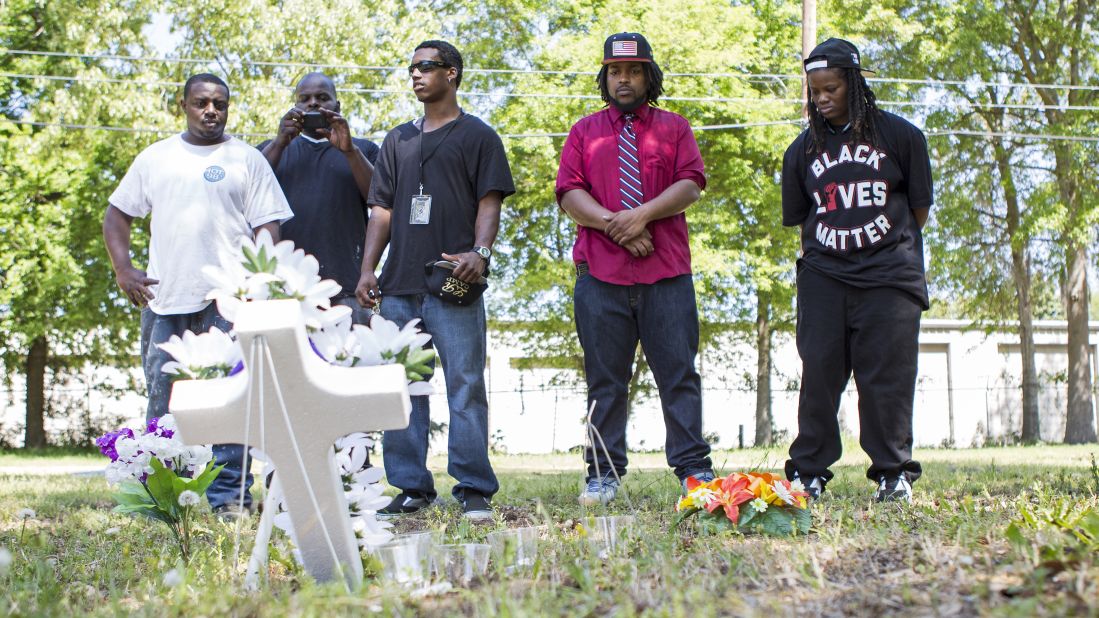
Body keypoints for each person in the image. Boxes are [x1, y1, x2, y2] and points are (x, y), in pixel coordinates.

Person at [102, 73, 294, 518]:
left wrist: (259, 282)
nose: (211, 110)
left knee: (230, 400)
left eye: (220, 104)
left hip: (228, 302)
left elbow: (269, 223)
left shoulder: (246, 159)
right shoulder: (157, 158)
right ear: (183, 105)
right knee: (164, 404)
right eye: (202, 102)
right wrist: (123, 269)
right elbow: (117, 214)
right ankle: (164, 500)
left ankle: (229, 497)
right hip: (165, 300)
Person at [355, 40, 515, 521]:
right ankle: (410, 487)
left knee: (464, 386)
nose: (416, 75)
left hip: (453, 283)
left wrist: (480, 254)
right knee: (401, 388)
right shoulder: (397, 140)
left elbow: (490, 202)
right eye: (412, 68)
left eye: (426, 67)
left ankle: (473, 488)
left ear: (453, 74)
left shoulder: (479, 136)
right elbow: (380, 210)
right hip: (399, 286)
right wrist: (367, 269)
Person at [555, 32, 714, 506]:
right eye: (615, 71)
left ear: (649, 76)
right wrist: (617, 226)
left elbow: (691, 184)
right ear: (605, 78)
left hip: (666, 276)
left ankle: (693, 470)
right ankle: (603, 474)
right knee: (605, 380)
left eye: (634, 70)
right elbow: (569, 194)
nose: (624, 79)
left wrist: (640, 216)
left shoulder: (674, 127)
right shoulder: (585, 131)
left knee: (679, 374)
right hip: (600, 278)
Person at [781, 38, 933, 503]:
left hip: (889, 277)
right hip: (825, 277)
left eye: (830, 88)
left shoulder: (901, 137)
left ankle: (893, 473)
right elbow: (802, 220)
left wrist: (880, 247)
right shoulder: (802, 151)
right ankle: (808, 471)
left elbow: (918, 209)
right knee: (820, 374)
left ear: (854, 83)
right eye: (815, 91)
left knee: (885, 377)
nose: (822, 98)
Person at [258, 72, 380, 323]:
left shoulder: (363, 149)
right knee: (287, 362)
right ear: (295, 106)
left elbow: (379, 200)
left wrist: (349, 151)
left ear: (338, 106)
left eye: (322, 97)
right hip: (283, 289)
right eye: (305, 98)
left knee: (350, 360)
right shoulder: (271, 149)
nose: (313, 103)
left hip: (346, 286)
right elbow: (247, 191)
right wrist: (280, 142)